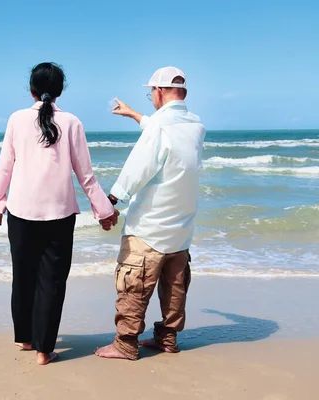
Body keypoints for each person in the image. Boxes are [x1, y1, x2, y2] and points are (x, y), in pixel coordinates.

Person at [0, 62, 119, 365]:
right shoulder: (72, 121)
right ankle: (44, 350)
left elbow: (5, 165)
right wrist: (104, 210)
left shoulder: (16, 119)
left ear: (31, 90)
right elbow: (85, 175)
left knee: (23, 277)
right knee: (52, 281)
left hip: (20, 212)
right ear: (59, 91)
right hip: (60, 216)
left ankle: (25, 338)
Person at [95, 66, 206, 360]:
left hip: (149, 228)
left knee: (134, 284)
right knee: (174, 289)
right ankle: (167, 339)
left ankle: (125, 344)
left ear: (158, 91)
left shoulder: (159, 127)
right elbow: (166, 135)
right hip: (181, 230)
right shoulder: (195, 126)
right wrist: (136, 116)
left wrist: (111, 201)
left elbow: (137, 168)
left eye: (150, 94)